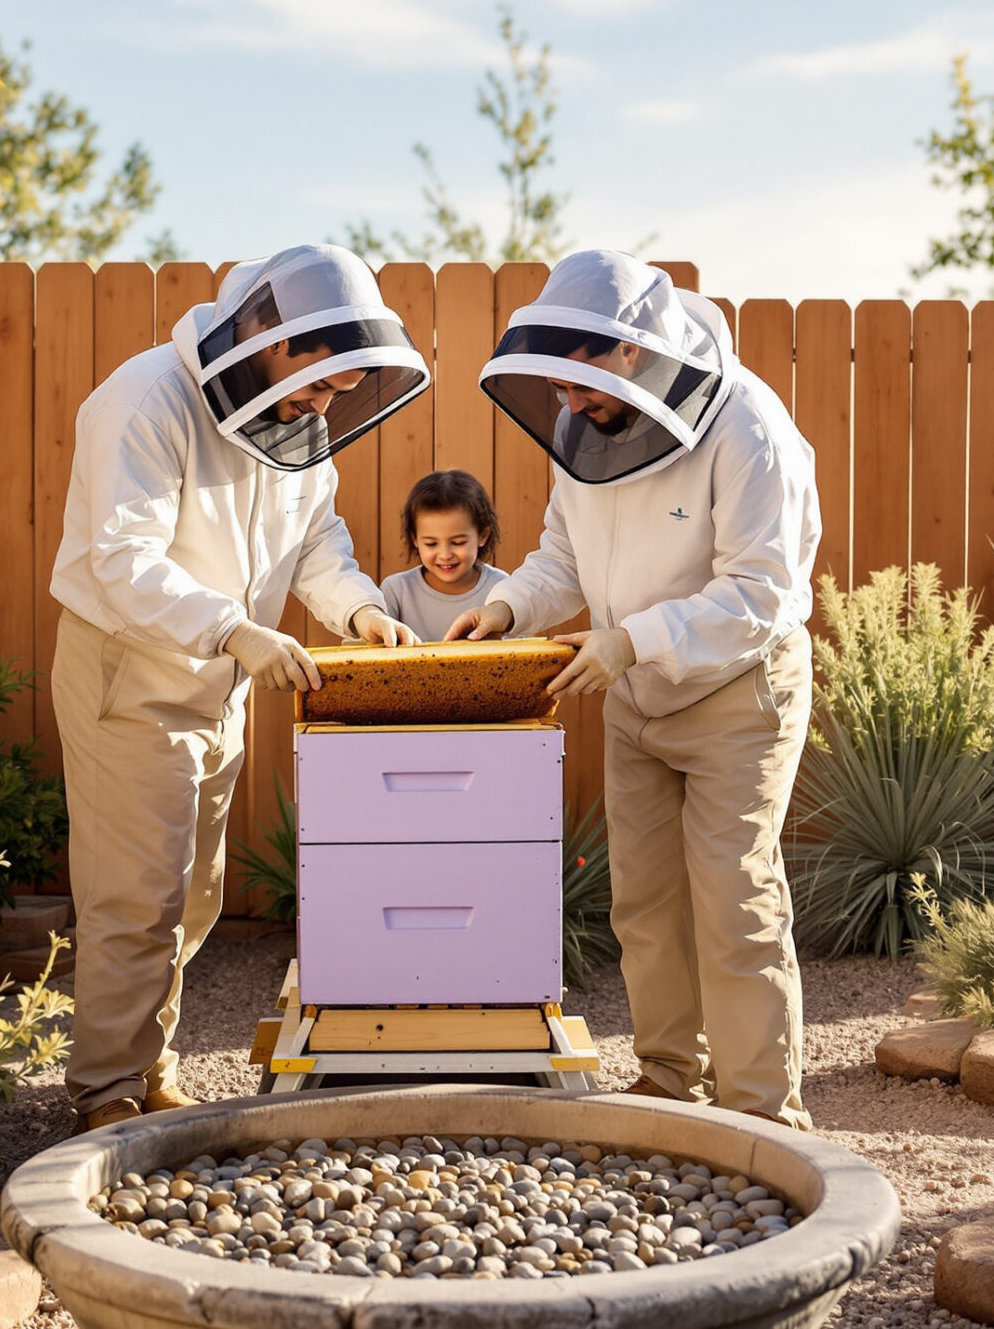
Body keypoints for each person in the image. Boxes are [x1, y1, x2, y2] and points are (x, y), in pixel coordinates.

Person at [48, 244, 427, 1134]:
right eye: (318, 382)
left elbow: (317, 541)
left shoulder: (296, 416)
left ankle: (153, 1064)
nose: (323, 403)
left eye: (340, 391)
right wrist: (234, 629)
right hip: (128, 666)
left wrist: (362, 612)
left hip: (224, 674)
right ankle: (106, 1090)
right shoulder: (145, 399)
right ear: (266, 335)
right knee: (134, 891)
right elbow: (121, 558)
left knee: (194, 892)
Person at [444, 249, 822, 1129]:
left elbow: (762, 593)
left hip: (738, 689)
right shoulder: (586, 422)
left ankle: (764, 1110)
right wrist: (504, 608)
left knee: (734, 896)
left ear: (626, 351)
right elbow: (563, 557)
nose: (568, 406)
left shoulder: (749, 429)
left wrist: (630, 640)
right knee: (645, 899)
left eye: (579, 385)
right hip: (633, 692)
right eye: (559, 391)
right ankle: (667, 1076)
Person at [377, 469, 508, 643]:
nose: (445, 555)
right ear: (414, 539)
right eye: (431, 544)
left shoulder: (501, 588)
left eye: (458, 542)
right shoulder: (397, 591)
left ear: (483, 536)